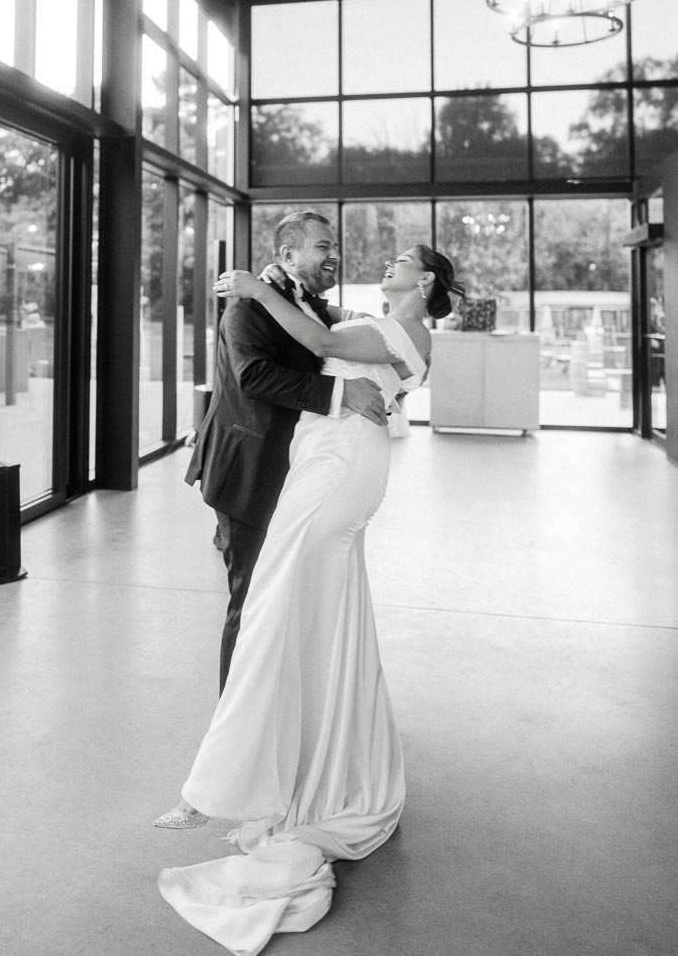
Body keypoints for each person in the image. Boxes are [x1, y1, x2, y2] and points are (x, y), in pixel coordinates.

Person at [156, 244, 463, 953]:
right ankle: (300, 760)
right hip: (334, 459)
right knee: (313, 616)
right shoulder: (391, 330)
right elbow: (314, 341)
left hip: (338, 468)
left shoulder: (394, 332)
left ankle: (231, 779)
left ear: (424, 281)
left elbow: (321, 343)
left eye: (401, 259)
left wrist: (252, 290)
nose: (387, 261)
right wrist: (271, 298)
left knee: (274, 607)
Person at [185, 211, 387, 692]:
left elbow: (323, 336)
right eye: (322, 246)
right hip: (249, 474)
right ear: (288, 256)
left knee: (284, 598)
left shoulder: (308, 307)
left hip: (295, 473)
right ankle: (234, 726)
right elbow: (253, 378)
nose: (333, 254)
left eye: (334, 245)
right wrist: (342, 392)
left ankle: (277, 706)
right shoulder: (246, 308)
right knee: (251, 597)